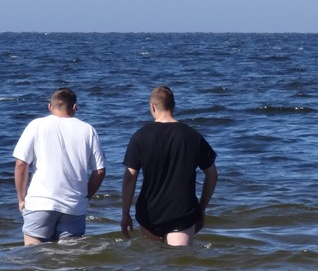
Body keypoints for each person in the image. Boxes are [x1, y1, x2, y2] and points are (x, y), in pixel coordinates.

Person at [121, 85, 218, 246]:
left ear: (152, 107)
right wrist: (201, 208)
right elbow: (212, 174)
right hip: (182, 213)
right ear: (173, 106)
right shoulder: (192, 136)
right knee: (179, 260)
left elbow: (130, 177)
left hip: (149, 214)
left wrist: (125, 213)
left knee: (151, 259)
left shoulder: (140, 136)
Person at [13, 87, 107, 245]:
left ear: (50, 107)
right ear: (75, 107)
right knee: (68, 258)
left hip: (40, 203)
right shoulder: (88, 130)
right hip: (73, 206)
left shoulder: (36, 125)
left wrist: (21, 199)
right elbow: (100, 170)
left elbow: (21, 164)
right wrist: (85, 196)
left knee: (34, 256)